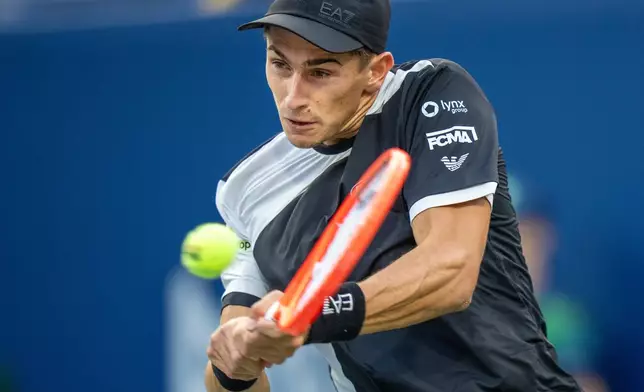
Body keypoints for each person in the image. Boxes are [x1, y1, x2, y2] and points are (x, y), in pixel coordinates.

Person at [205, 0, 582, 390]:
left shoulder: (429, 95)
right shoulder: (245, 190)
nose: (292, 97)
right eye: (280, 65)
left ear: (375, 72)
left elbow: (450, 271)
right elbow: (232, 362)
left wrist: (311, 315)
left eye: (320, 71)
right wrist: (237, 362)